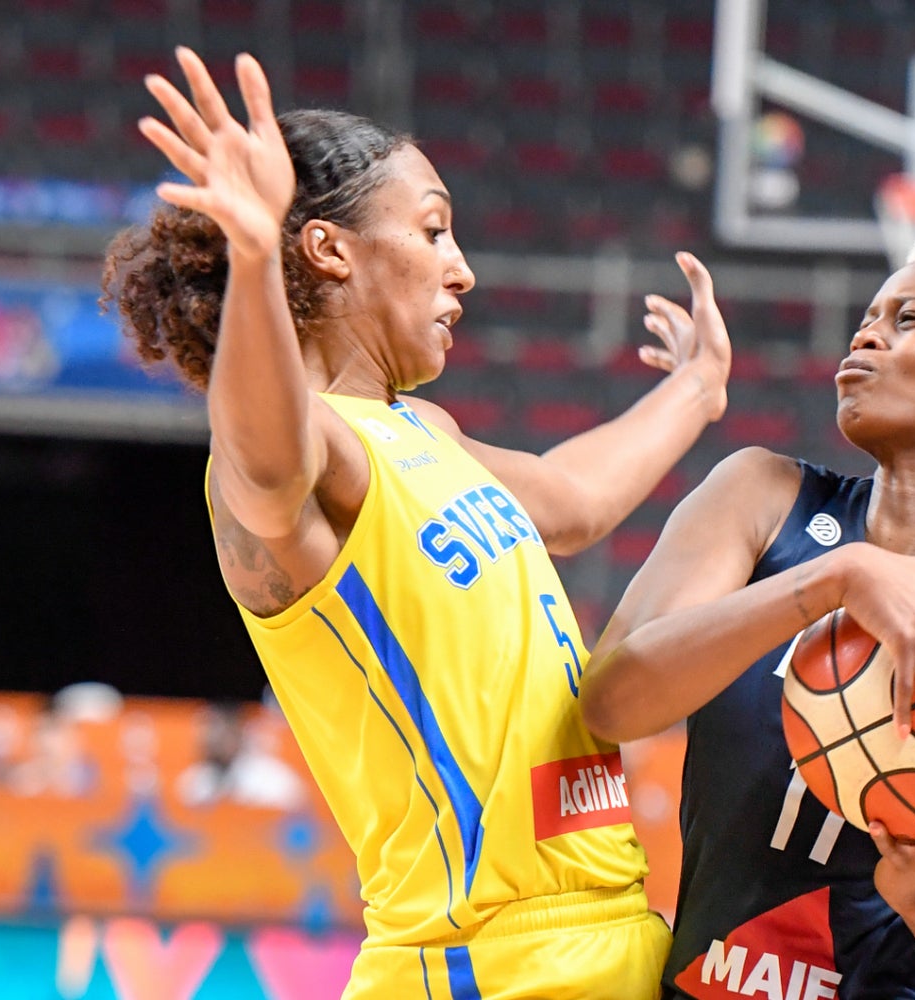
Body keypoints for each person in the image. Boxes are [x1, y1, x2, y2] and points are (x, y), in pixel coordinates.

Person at [101, 49, 732, 998]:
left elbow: (572, 499)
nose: (462, 270)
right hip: (485, 960)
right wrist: (251, 248)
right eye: (433, 230)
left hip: (611, 929)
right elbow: (269, 463)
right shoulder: (303, 455)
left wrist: (695, 390)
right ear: (328, 249)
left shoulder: (420, 431)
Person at [582, 229, 915, 999]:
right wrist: (836, 579)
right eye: (868, 317)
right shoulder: (762, 501)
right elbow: (610, 701)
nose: (867, 333)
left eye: (910, 319)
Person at [176, 701, 305, 810]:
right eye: (205, 732)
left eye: (217, 731)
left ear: (237, 730)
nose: (209, 740)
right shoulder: (195, 781)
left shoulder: (275, 779)